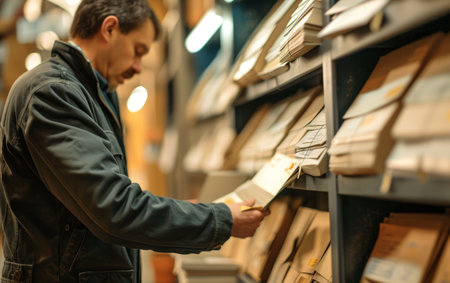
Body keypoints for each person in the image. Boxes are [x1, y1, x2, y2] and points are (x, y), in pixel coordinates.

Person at [0, 0, 268, 282]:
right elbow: (114, 209)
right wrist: (220, 220)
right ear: (110, 29)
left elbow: (102, 197)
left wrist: (187, 212)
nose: (139, 67)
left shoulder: (91, 93)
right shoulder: (52, 93)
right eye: (138, 51)